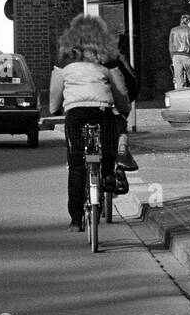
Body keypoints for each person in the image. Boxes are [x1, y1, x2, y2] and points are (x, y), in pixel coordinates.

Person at [49, 15, 130, 231]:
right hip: (102, 111)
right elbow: (120, 91)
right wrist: (124, 110)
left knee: (76, 165)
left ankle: (76, 220)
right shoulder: (107, 59)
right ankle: (107, 175)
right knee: (108, 143)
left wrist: (55, 108)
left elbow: (54, 96)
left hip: (75, 114)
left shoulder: (63, 61)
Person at [106, 40, 139, 172]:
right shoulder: (114, 57)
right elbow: (130, 82)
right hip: (110, 105)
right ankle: (122, 152)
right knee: (120, 126)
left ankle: (74, 159)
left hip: (77, 109)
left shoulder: (73, 59)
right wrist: (127, 105)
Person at [169, 14, 190, 89]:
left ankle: (180, 96)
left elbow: (170, 46)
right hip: (187, 55)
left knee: (178, 79)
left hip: (176, 56)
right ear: (188, 21)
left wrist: (172, 58)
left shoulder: (173, 30)